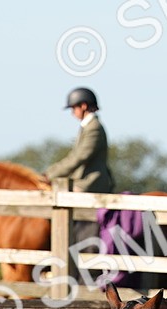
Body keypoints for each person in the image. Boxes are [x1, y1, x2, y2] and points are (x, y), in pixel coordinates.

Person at [46, 87, 115, 248]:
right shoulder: (87, 127)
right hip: (82, 182)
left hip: (89, 184)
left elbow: (79, 157)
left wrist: (51, 174)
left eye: (73, 108)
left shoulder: (94, 128)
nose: (72, 112)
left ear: (83, 106)